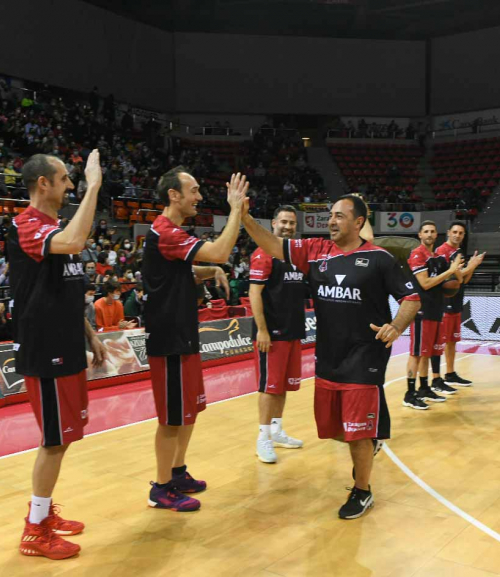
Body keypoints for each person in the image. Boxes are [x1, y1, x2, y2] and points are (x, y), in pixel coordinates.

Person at [240, 194, 420, 519]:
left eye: (339, 216)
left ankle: (362, 490)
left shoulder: (379, 259)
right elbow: (273, 245)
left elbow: (411, 297)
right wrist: (246, 219)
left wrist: (395, 326)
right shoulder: (315, 252)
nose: (331, 221)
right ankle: (372, 438)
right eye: (331, 215)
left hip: (365, 358)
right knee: (334, 430)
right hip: (328, 359)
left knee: (357, 433)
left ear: (359, 223)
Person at [7, 151, 107, 560]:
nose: (71, 186)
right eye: (65, 179)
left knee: (63, 439)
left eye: (74, 180)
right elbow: (75, 241)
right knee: (53, 441)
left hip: (68, 345)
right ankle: (34, 530)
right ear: (42, 184)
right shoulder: (26, 225)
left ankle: (44, 513)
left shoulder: (54, 227)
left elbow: (67, 291)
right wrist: (94, 185)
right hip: (43, 348)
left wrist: (91, 335)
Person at [142, 167, 247, 513]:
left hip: (183, 334)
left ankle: (177, 472)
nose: (199, 197)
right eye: (194, 190)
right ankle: (160, 489)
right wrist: (234, 211)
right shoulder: (165, 231)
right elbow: (218, 250)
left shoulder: (172, 234)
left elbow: (181, 270)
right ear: (174, 195)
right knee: (171, 418)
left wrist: (208, 271)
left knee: (188, 413)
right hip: (169, 337)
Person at [248, 204, 306, 464]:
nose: (287, 227)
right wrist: (262, 330)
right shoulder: (263, 254)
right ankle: (263, 438)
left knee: (282, 386)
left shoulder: (296, 255)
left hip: (293, 331)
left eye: (292, 223)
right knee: (269, 388)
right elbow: (254, 293)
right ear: (273, 223)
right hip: (271, 334)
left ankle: (277, 431)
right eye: (283, 222)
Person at [405, 221, 462, 411]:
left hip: (437, 309)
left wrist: (457, 273)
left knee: (428, 353)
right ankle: (409, 394)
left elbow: (453, 281)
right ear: (420, 235)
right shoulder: (417, 254)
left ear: (436, 235)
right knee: (416, 353)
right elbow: (426, 283)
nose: (429, 234)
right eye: (426, 231)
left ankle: (424, 388)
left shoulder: (437, 257)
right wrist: (450, 271)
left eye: (432, 231)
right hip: (421, 310)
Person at [435, 222, 485, 389]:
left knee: (452, 341)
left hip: (457, 299)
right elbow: (450, 278)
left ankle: (450, 373)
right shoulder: (442, 251)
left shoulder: (459, 252)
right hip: (444, 301)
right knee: (440, 342)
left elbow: (462, 280)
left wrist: (471, 267)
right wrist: (472, 265)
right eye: (455, 232)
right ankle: (435, 379)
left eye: (461, 233)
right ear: (448, 232)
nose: (457, 235)